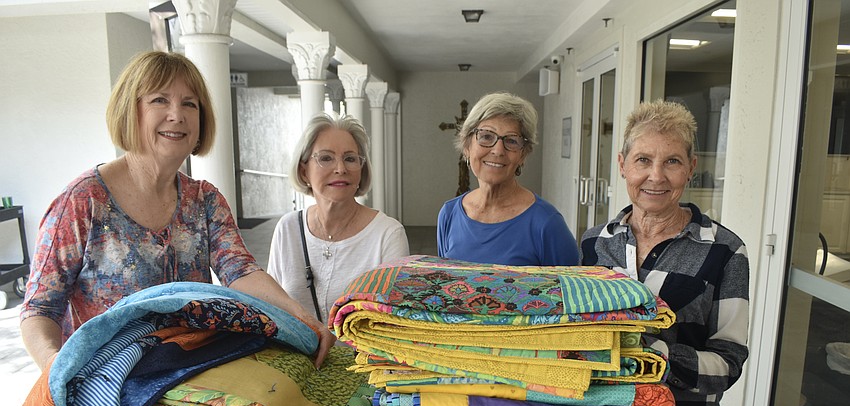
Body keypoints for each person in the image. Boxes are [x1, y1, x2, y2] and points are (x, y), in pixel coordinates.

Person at [19, 51, 334, 371]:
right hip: (106, 383)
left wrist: (303, 318)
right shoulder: (81, 202)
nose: (177, 114)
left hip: (185, 377)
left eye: (189, 103)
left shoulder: (204, 199)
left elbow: (241, 273)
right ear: (130, 110)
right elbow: (39, 310)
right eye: (159, 100)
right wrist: (58, 370)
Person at [580, 99, 750, 406]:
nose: (656, 176)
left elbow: (729, 362)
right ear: (622, 165)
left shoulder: (725, 252)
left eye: (672, 161)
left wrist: (651, 355)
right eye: (643, 160)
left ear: (691, 167)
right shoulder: (594, 244)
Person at [267, 113, 409, 323]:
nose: (340, 168)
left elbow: (394, 322)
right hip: (296, 354)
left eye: (350, 159)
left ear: (361, 170)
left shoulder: (387, 234)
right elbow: (272, 309)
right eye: (326, 158)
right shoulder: (288, 229)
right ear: (304, 170)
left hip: (362, 355)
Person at [437, 92, 578, 266]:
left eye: (511, 141)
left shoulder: (546, 223)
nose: (498, 150)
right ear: (467, 146)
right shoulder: (449, 214)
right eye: (486, 136)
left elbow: (571, 290)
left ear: (523, 154)